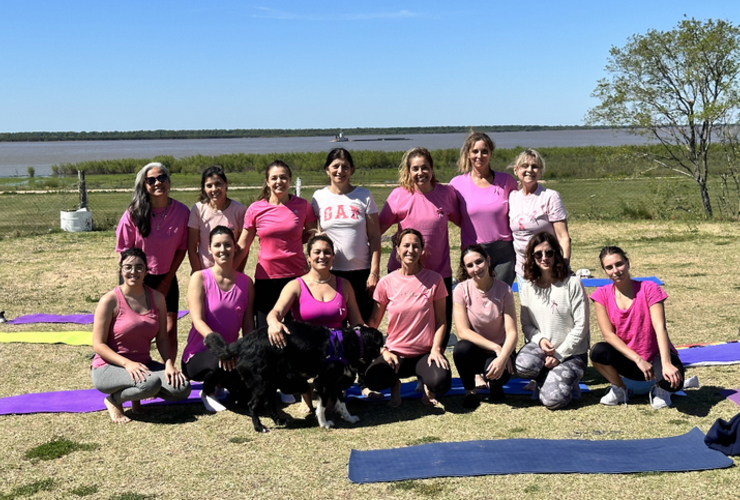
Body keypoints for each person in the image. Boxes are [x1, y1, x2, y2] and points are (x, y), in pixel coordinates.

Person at [266, 234, 365, 413]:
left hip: (336, 352)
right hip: (306, 352)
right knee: (285, 376)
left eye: (327, 252)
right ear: (309, 257)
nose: (322, 256)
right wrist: (273, 322)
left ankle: (329, 388)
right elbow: (275, 312)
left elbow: (357, 323)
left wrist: (379, 345)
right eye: (317, 252)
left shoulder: (345, 285)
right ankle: (306, 391)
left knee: (329, 409)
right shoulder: (296, 285)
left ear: (333, 257)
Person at [92, 248, 190, 424]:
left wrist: (169, 364)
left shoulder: (157, 298)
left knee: (181, 388)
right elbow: (98, 345)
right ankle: (114, 400)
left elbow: (161, 338)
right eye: (128, 267)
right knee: (149, 384)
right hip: (108, 367)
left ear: (146, 271)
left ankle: (137, 399)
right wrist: (127, 364)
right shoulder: (109, 300)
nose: (133, 272)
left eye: (139, 267)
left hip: (143, 365)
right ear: (121, 269)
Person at [379, 147, 461, 347]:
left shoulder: (447, 193)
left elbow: (466, 224)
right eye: (415, 168)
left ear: (432, 169)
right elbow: (376, 230)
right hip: (406, 275)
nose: (420, 173)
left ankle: (435, 372)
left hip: (439, 274)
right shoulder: (399, 195)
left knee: (441, 328)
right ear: (408, 171)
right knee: (406, 333)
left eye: (424, 167)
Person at [365, 229, 451, 408]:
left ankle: (428, 385)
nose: (410, 250)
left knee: (441, 382)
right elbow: (372, 324)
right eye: (406, 245)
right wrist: (383, 351)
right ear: (397, 249)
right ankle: (395, 385)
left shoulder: (435, 280)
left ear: (422, 250)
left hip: (425, 354)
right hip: (396, 355)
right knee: (373, 379)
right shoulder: (386, 282)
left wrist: (436, 349)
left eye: (415, 246)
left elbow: (442, 320)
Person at [590, 246, 685, 409]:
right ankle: (620, 388)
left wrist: (667, 363)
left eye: (619, 264)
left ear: (628, 263)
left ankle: (662, 389)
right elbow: (608, 335)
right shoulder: (601, 295)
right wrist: (638, 359)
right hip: (631, 361)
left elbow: (659, 326)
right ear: (604, 270)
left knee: (673, 383)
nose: (615, 270)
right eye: (609, 267)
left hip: (656, 357)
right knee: (598, 352)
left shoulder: (649, 288)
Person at [116, 162, 189, 356]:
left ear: (169, 181)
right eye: (151, 180)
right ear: (144, 185)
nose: (158, 183)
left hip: (167, 276)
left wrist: (166, 280)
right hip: (136, 278)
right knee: (136, 329)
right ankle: (135, 368)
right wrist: (133, 283)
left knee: (170, 329)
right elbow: (124, 252)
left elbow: (182, 249)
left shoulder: (182, 212)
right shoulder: (133, 213)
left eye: (162, 177)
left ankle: (170, 372)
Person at [236, 160, 317, 328]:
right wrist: (228, 273)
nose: (279, 182)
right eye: (274, 178)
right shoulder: (255, 209)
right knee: (266, 332)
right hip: (267, 279)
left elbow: (313, 237)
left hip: (297, 276)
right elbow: (243, 246)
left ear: (290, 179)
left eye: (283, 177)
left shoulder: (303, 206)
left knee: (297, 333)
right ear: (267, 181)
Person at [182, 226, 254, 413]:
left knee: (248, 396)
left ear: (235, 248)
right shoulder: (199, 278)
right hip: (198, 356)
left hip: (231, 355)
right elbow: (197, 320)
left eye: (228, 245)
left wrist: (250, 355)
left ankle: (225, 385)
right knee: (216, 362)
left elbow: (247, 325)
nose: (223, 250)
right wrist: (220, 347)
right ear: (210, 249)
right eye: (218, 246)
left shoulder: (246, 283)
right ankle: (208, 391)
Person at [514, 232, 590, 410]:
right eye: (538, 254)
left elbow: (582, 326)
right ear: (532, 258)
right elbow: (526, 324)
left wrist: (559, 355)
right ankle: (544, 378)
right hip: (542, 349)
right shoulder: (528, 288)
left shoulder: (573, 283)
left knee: (551, 401)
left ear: (557, 254)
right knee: (522, 366)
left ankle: (569, 384)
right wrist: (540, 339)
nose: (544, 258)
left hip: (572, 354)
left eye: (549, 253)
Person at [310, 148, 381, 322]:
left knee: (362, 324)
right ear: (327, 169)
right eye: (335, 166)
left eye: (345, 167)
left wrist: (374, 272)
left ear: (352, 170)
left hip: (361, 272)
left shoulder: (363, 196)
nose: (340, 171)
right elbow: (313, 236)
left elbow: (374, 237)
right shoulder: (319, 197)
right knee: (335, 324)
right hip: (331, 272)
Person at [452, 244, 518, 409]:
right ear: (465, 269)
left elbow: (512, 332)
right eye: (470, 265)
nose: (476, 268)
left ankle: (496, 385)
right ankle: (470, 393)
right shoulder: (460, 290)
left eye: (479, 262)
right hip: (477, 350)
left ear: (488, 261)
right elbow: (463, 331)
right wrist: (495, 347)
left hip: (499, 351)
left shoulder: (504, 290)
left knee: (500, 374)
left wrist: (503, 356)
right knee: (461, 349)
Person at [450, 132, 518, 286]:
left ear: (491, 153)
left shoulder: (507, 181)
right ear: (468, 154)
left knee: (499, 300)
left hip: (504, 254)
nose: (479, 155)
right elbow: (454, 215)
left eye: (484, 151)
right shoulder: (457, 184)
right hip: (473, 252)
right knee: (476, 301)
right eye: (475, 151)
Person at [508, 149, 570, 280]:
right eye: (524, 166)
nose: (529, 170)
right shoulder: (512, 197)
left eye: (534, 167)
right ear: (516, 170)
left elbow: (563, 236)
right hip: (522, 269)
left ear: (540, 172)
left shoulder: (550, 197)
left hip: (547, 268)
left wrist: (564, 265)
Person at [187, 165, 247, 272]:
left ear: (226, 184)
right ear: (204, 188)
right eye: (209, 186)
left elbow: (243, 249)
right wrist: (198, 274)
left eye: (218, 184)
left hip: (231, 272)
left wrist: (235, 273)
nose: (214, 189)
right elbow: (192, 248)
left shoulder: (239, 210)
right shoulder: (198, 210)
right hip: (205, 271)